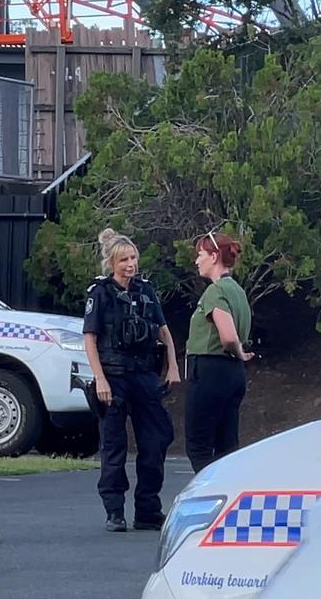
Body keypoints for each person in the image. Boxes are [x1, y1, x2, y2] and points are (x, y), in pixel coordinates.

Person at [83, 228, 179, 532]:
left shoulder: (146, 290)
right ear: (112, 262)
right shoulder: (99, 293)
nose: (130, 264)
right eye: (124, 259)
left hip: (144, 375)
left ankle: (148, 508)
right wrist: (100, 379)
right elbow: (90, 339)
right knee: (114, 445)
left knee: (155, 439)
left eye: (133, 258)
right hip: (113, 376)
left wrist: (174, 366)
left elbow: (163, 330)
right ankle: (114, 510)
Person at [184, 231, 253, 473]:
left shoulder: (216, 292)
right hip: (233, 375)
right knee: (227, 447)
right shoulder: (238, 291)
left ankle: (207, 499)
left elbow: (228, 336)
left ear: (214, 257)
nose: (196, 261)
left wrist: (238, 351)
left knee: (198, 446)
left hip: (210, 371)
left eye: (200, 255)